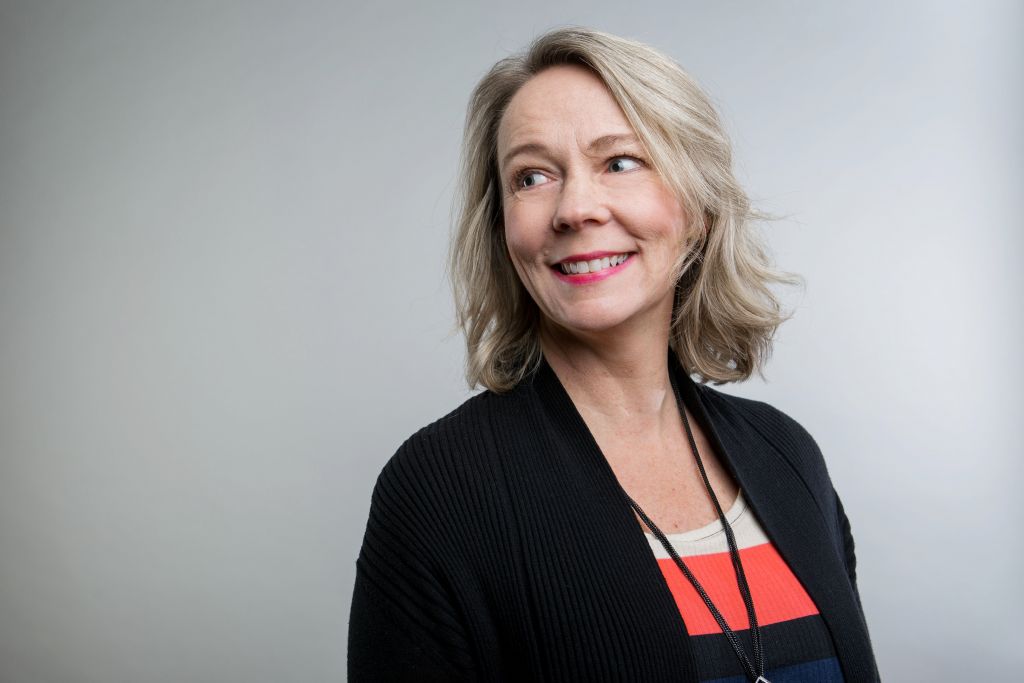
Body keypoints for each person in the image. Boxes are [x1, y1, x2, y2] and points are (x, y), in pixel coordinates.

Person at [348, 27, 879, 683]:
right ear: (504, 229)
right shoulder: (438, 489)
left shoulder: (788, 455)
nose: (574, 208)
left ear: (699, 207)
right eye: (532, 176)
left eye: (620, 161)